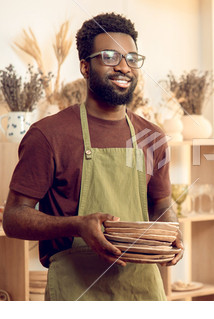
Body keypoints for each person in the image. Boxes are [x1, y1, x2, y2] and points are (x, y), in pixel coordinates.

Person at [2, 12, 183, 301]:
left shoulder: (153, 137)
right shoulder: (48, 135)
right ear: (85, 67)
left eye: (132, 59)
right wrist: (77, 225)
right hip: (76, 292)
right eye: (110, 57)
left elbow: (160, 204)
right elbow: (12, 219)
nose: (124, 67)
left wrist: (172, 232)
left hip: (143, 292)